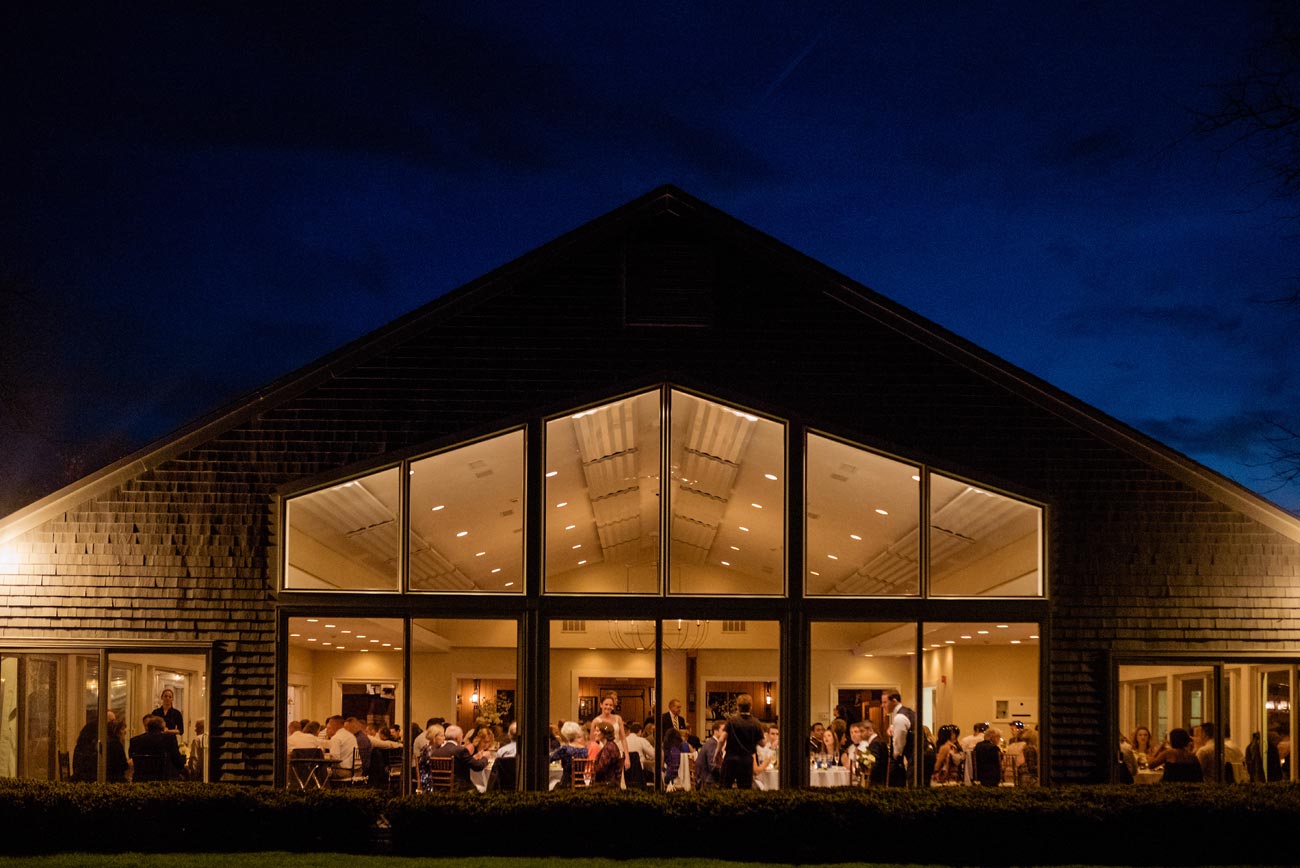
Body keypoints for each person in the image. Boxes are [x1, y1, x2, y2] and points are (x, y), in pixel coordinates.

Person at [719, 693, 765, 789]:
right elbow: (762, 743)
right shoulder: (756, 723)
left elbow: (721, 739)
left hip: (730, 758)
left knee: (725, 787)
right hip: (746, 760)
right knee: (745, 789)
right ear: (750, 707)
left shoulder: (732, 721)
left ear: (738, 707)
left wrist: (717, 753)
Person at [432, 724, 489, 791]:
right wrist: (485, 758)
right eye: (462, 736)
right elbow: (477, 766)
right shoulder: (460, 751)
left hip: (439, 789)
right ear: (458, 738)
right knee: (484, 789)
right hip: (459, 788)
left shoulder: (435, 752)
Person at [129, 715, 185, 781]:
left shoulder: (135, 741)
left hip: (141, 779)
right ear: (163, 728)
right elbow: (177, 761)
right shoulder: (169, 739)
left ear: (148, 727)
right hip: (163, 779)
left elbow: (132, 761)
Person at [882, 691, 915, 786]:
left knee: (914, 785)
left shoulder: (900, 717)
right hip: (921, 754)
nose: (883, 705)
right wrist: (892, 727)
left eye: (885, 702)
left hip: (915, 756)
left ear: (894, 701)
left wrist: (896, 753)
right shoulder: (907, 712)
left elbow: (900, 737)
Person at [593, 692, 631, 772]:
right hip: (602, 753)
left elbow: (623, 739)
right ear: (601, 705)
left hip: (617, 751)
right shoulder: (596, 721)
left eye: (611, 705)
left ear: (613, 707)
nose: (608, 707)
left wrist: (627, 757)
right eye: (606, 704)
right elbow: (592, 741)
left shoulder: (618, 719)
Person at [549, 720, 588, 788]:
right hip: (581, 783)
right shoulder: (584, 750)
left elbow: (551, 758)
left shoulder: (565, 750)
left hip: (567, 783)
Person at [325, 714, 358, 780]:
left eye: (330, 725)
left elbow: (335, 758)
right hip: (356, 770)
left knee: (320, 772)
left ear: (334, 724)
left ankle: (323, 790)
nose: (328, 727)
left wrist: (324, 756)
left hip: (342, 771)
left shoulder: (336, 738)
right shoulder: (351, 736)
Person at [591, 721, 622, 787]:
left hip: (607, 784)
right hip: (609, 782)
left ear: (604, 733)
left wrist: (592, 768)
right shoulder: (610, 745)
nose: (594, 733)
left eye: (597, 731)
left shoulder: (609, 747)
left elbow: (601, 769)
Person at [695, 721, 725, 790]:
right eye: (723, 730)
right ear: (715, 731)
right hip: (709, 782)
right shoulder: (713, 744)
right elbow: (712, 766)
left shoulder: (712, 742)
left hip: (707, 780)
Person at [417, 723, 446, 791]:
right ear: (434, 737)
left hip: (439, 778)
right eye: (442, 736)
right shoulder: (427, 749)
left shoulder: (441, 748)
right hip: (429, 779)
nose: (444, 738)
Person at [662, 724, 693, 789]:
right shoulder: (683, 745)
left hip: (675, 780)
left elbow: (673, 766)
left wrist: (667, 779)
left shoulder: (673, 749)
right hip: (684, 778)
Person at [863, 720, 889, 786]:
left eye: (862, 731)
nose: (860, 734)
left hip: (877, 781)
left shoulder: (875, 743)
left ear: (870, 731)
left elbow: (874, 762)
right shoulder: (878, 741)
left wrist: (868, 775)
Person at [106, 718, 130, 782]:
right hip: (116, 778)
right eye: (122, 729)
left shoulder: (107, 743)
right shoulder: (116, 744)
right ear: (116, 731)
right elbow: (122, 765)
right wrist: (129, 763)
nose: (125, 731)